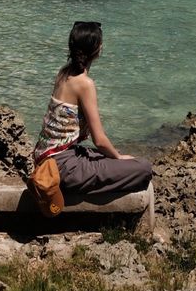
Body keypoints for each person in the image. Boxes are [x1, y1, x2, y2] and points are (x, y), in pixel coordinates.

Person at [32, 20, 152, 199]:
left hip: (46, 159)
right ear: (98, 50)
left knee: (105, 158)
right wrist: (118, 158)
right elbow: (100, 141)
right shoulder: (85, 84)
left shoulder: (63, 73)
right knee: (143, 167)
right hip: (63, 168)